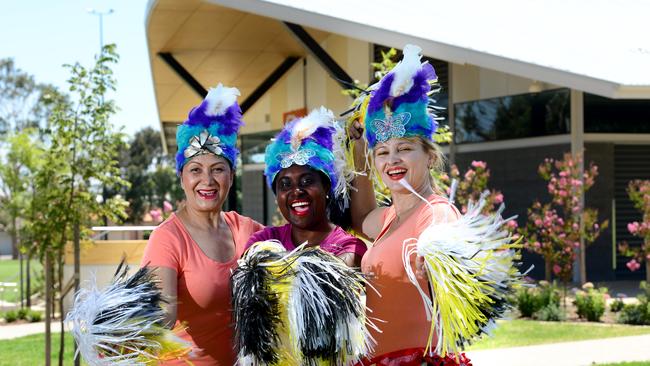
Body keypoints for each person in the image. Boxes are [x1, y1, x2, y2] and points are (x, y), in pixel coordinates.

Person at [348, 45, 471, 365]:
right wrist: (360, 150)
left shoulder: (437, 215)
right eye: (383, 152)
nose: (392, 161)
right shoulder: (389, 217)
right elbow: (360, 218)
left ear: (430, 156)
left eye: (404, 149)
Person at [140, 84, 263, 365]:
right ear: (182, 178)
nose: (206, 181)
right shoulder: (167, 238)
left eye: (217, 169)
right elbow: (163, 312)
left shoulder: (249, 231)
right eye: (195, 170)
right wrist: (127, 326)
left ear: (231, 176)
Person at [246, 107, 366, 267]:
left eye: (307, 181)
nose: (296, 191)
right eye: (285, 184)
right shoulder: (263, 241)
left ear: (326, 187)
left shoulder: (349, 249)